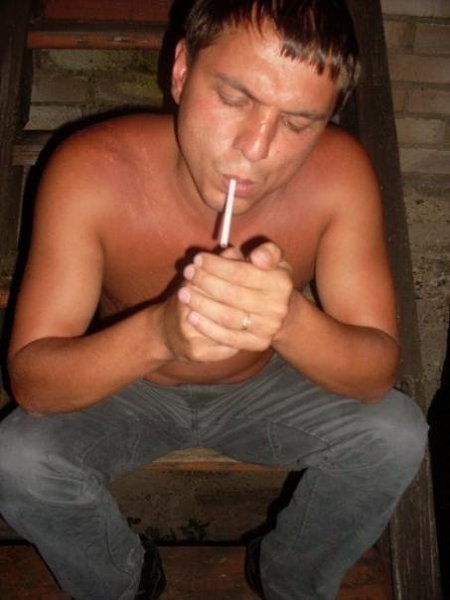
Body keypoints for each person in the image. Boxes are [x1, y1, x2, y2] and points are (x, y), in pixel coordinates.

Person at [0, 0, 428, 598]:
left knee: (397, 435)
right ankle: (125, 581)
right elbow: (34, 384)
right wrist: (160, 334)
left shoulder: (340, 175)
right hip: (130, 388)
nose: (256, 147)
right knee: (16, 458)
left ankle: (289, 577)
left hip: (265, 388)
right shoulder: (92, 170)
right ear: (181, 71)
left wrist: (288, 320)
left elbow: (374, 374)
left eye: (298, 123)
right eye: (233, 98)